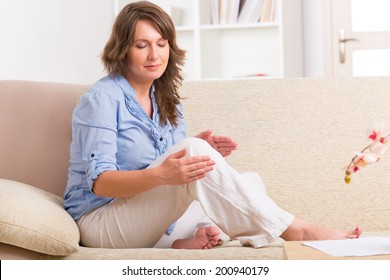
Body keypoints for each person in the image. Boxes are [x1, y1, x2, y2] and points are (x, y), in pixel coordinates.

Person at [63, 1, 361, 250]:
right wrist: (165, 172)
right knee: (194, 153)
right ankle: (297, 230)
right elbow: (101, 183)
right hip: (101, 223)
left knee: (250, 181)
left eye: (161, 44)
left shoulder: (167, 100)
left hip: (145, 216)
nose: (154, 55)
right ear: (123, 49)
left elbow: (167, 174)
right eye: (142, 45)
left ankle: (179, 242)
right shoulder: (101, 100)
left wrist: (199, 154)